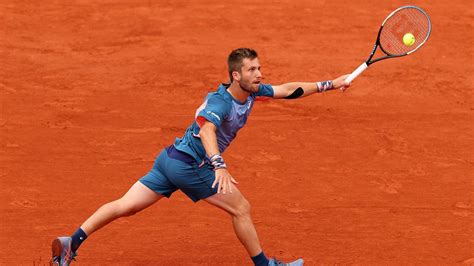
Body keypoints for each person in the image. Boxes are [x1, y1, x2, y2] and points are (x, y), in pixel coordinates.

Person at [51, 48, 350, 266]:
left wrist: (331, 84)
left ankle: (71, 242)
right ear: (236, 75)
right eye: (251, 70)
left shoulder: (251, 92)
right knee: (241, 208)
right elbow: (207, 130)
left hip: (169, 160)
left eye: (259, 68)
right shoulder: (221, 102)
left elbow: (288, 90)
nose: (259, 74)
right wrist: (218, 163)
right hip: (191, 166)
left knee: (125, 206)